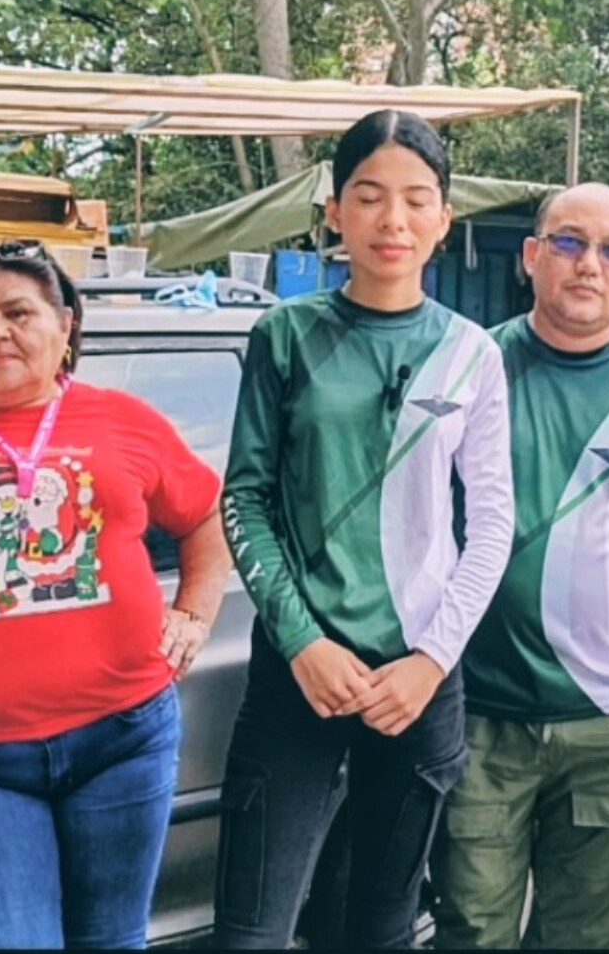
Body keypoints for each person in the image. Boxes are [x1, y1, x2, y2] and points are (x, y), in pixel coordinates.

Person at [0, 240, 233, 948]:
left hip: (124, 735)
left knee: (111, 939)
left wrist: (195, 611)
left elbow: (206, 513)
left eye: (18, 312)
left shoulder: (128, 419)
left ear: (67, 327)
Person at [214, 110, 515, 948]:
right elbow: (244, 499)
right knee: (251, 930)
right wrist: (303, 641)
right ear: (335, 209)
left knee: (380, 929)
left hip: (418, 681)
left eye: (418, 200)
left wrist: (430, 661)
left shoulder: (472, 354)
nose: (394, 220)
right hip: (298, 673)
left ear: (444, 220)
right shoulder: (285, 334)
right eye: (370, 196)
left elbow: (492, 522)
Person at [431, 184, 609, 949]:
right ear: (531, 258)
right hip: (478, 711)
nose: (588, 264)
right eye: (567, 242)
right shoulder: (468, 369)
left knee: (580, 935)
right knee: (472, 929)